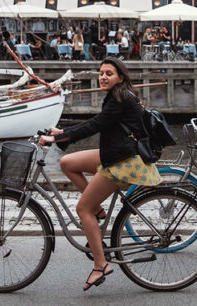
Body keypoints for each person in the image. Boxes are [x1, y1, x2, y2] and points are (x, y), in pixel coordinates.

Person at [38, 57, 161, 290]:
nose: (103, 76)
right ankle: (99, 209)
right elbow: (98, 122)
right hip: (115, 152)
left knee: (82, 208)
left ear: (120, 77)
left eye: (109, 73)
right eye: (101, 72)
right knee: (67, 163)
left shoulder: (119, 98)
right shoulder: (119, 94)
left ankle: (100, 264)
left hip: (123, 161)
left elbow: (95, 125)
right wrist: (63, 131)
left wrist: (56, 137)